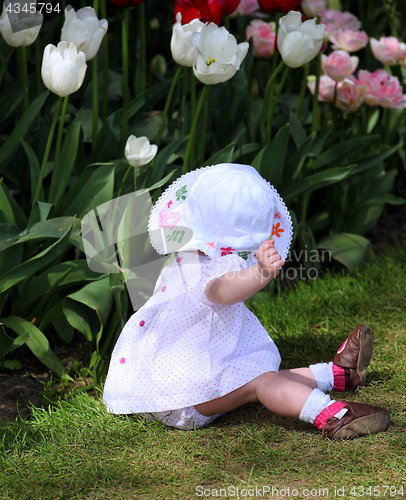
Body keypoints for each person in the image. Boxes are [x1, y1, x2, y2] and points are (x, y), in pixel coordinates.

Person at [103, 163, 390, 439]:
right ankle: (332, 415)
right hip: (185, 401)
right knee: (261, 382)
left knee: (254, 372)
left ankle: (338, 375)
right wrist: (261, 272)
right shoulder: (213, 268)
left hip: (169, 388)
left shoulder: (188, 254)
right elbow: (219, 290)